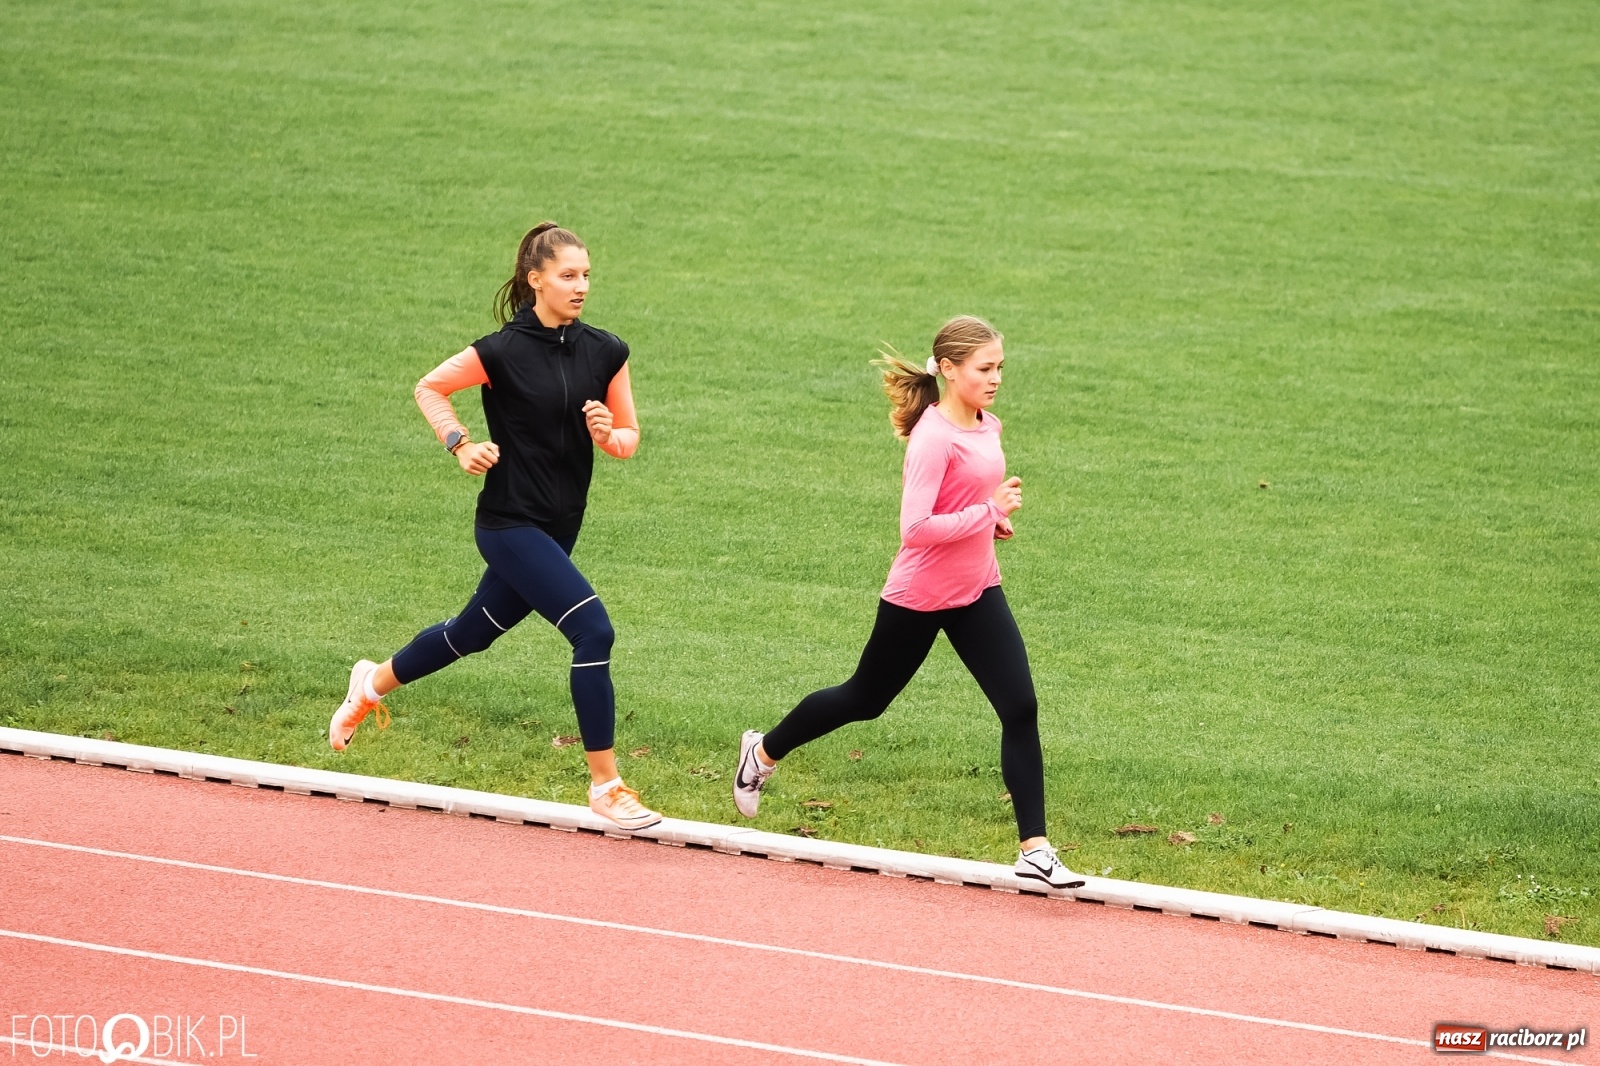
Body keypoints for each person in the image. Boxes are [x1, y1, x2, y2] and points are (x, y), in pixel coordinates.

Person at [328, 221, 661, 832]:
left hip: (561, 525)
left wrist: (606, 435)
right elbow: (430, 388)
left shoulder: (607, 350)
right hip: (509, 524)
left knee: (471, 633)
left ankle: (370, 685)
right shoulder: (501, 351)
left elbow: (628, 439)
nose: (580, 285)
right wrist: (459, 443)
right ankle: (606, 786)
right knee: (594, 630)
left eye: (586, 275)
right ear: (535, 280)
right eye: (567, 275)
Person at [732, 315, 1084, 887]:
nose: (995, 378)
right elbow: (915, 528)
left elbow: (963, 504)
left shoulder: (986, 425)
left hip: (976, 591)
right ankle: (763, 751)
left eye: (999, 368)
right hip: (919, 596)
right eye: (984, 368)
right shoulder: (932, 438)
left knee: (1020, 706)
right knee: (864, 698)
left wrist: (988, 526)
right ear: (947, 370)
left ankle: (1034, 848)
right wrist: (990, 512)